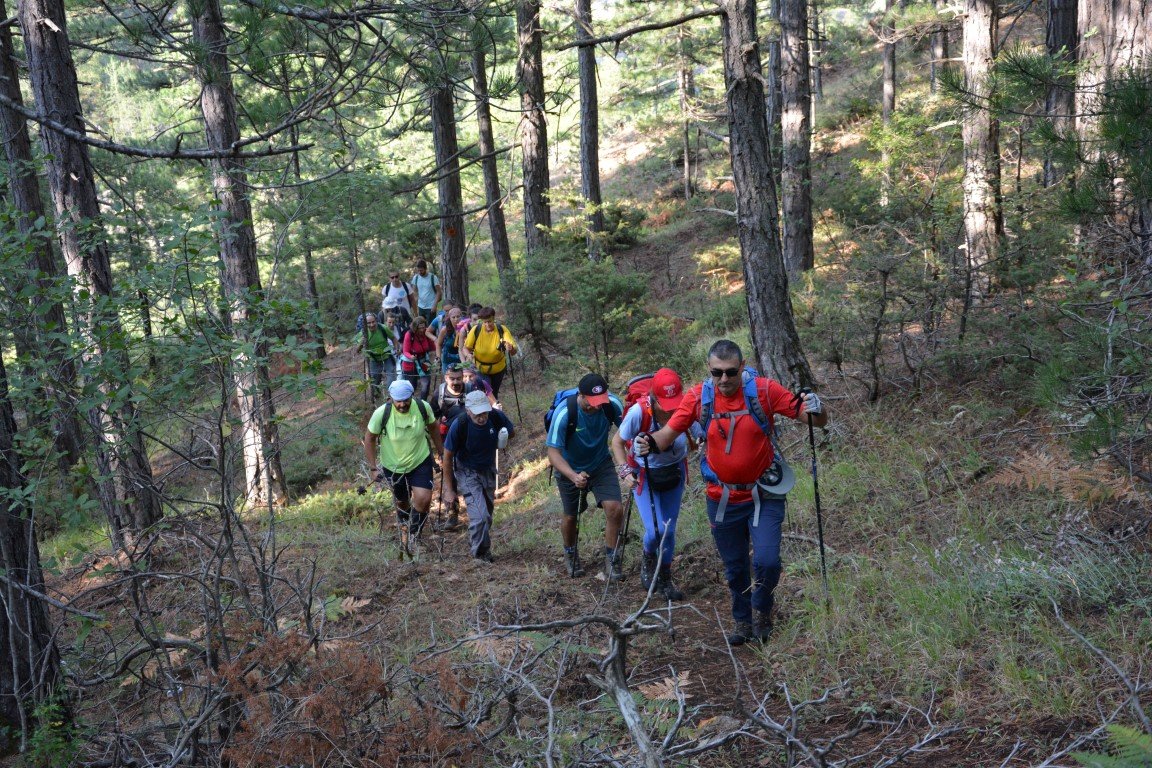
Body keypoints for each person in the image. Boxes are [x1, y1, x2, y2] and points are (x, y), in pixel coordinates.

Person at [635, 340, 827, 646]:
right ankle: (742, 619)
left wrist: (817, 407)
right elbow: (667, 433)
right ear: (709, 370)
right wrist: (648, 441)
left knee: (767, 561)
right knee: (735, 566)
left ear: (742, 366)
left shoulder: (764, 390)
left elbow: (813, 420)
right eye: (717, 372)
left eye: (730, 372)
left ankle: (762, 610)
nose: (724, 379)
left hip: (765, 493)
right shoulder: (699, 397)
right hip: (722, 498)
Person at [610, 368, 699, 600]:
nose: (671, 410)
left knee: (668, 529)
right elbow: (617, 443)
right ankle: (649, 559)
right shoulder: (639, 413)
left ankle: (665, 579)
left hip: (675, 471)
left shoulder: (685, 407)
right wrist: (625, 472)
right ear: (654, 398)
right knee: (654, 530)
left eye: (674, 403)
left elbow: (703, 432)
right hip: (644, 475)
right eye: (665, 404)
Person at [546, 373, 626, 580]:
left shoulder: (612, 404)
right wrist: (573, 476)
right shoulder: (565, 413)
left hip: (600, 463)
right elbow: (553, 453)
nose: (597, 406)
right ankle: (570, 553)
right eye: (592, 402)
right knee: (572, 515)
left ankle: (612, 558)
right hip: (569, 467)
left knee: (615, 508)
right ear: (581, 395)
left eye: (600, 402)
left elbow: (628, 431)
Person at [364, 379, 443, 553]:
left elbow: (434, 428)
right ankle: (404, 527)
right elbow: (369, 438)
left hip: (420, 460)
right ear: (391, 398)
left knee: (423, 499)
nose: (402, 404)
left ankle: (414, 536)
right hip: (393, 466)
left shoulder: (422, 408)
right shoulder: (381, 414)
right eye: (398, 400)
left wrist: (441, 452)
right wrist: (373, 467)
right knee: (402, 501)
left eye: (405, 400)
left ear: (412, 396)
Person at [443, 391, 515, 562]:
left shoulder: (496, 416)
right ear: (468, 411)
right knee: (481, 516)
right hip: (467, 471)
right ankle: (480, 555)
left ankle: (482, 547)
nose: (482, 417)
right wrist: (449, 489)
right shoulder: (459, 424)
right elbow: (447, 456)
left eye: (484, 412)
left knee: (487, 515)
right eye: (477, 414)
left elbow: (511, 432)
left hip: (488, 468)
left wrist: (502, 436)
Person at [461, 307, 517, 398]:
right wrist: (468, 355)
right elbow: (465, 348)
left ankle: (493, 410)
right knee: (486, 393)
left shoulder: (501, 330)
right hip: (481, 369)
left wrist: (510, 348)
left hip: (498, 369)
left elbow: (513, 352)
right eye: (485, 322)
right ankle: (487, 409)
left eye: (489, 321)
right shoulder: (476, 330)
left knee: (494, 393)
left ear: (494, 318)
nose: (487, 324)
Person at [355, 312, 398, 399]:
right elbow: (357, 351)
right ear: (365, 324)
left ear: (376, 321)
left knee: (391, 375)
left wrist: (396, 349)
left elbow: (393, 338)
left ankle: (391, 396)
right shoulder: (362, 334)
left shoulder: (383, 328)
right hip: (374, 360)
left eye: (373, 322)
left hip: (387, 356)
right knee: (375, 381)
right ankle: (376, 398)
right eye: (369, 323)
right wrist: (361, 342)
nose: (372, 324)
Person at [401, 315, 437, 400]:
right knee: (412, 385)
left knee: (426, 383)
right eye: (419, 328)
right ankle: (411, 401)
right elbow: (405, 351)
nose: (422, 330)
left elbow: (432, 346)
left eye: (423, 327)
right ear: (415, 328)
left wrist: (437, 354)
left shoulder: (426, 333)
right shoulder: (409, 335)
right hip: (410, 363)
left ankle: (423, 402)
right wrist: (411, 356)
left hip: (424, 360)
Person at [411, 259, 442, 324]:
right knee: (421, 325)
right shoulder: (416, 278)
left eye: (421, 270)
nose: (420, 272)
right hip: (420, 306)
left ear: (425, 269)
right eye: (418, 270)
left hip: (430, 306)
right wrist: (415, 306)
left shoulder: (433, 277)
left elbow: (438, 292)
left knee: (431, 326)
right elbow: (415, 291)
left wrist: (434, 305)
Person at [435, 305, 464, 372]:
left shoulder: (465, 328)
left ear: (461, 317)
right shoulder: (444, 330)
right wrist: (438, 357)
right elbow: (439, 344)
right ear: (449, 318)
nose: (456, 319)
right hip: (447, 360)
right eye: (453, 317)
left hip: (461, 360)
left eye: (458, 316)